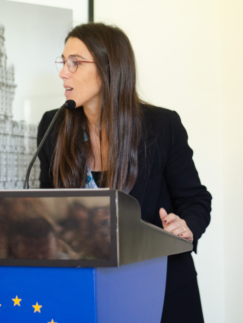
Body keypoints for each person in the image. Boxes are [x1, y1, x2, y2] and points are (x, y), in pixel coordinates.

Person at [37, 22, 212, 323]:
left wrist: (186, 226)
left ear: (108, 68)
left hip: (160, 286)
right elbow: (44, 208)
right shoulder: (53, 127)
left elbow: (196, 199)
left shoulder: (162, 126)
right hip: (83, 290)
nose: (63, 73)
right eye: (63, 62)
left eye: (74, 63)